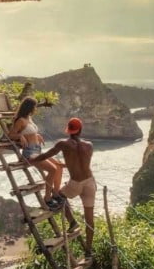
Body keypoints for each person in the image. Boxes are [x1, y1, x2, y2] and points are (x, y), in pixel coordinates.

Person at [29, 117, 96, 252]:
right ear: (80, 130)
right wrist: (64, 165)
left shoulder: (63, 144)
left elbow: (45, 155)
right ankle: (89, 249)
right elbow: (82, 163)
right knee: (89, 217)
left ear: (69, 131)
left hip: (75, 183)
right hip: (90, 182)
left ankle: (72, 222)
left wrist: (32, 159)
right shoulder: (89, 145)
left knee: (59, 196)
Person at [7, 97, 64, 209]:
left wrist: (36, 135)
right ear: (29, 107)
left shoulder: (29, 118)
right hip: (29, 153)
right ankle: (47, 199)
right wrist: (20, 136)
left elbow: (30, 132)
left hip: (37, 150)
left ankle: (56, 194)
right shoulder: (20, 120)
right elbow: (10, 135)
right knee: (53, 169)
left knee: (59, 165)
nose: (36, 109)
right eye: (34, 107)